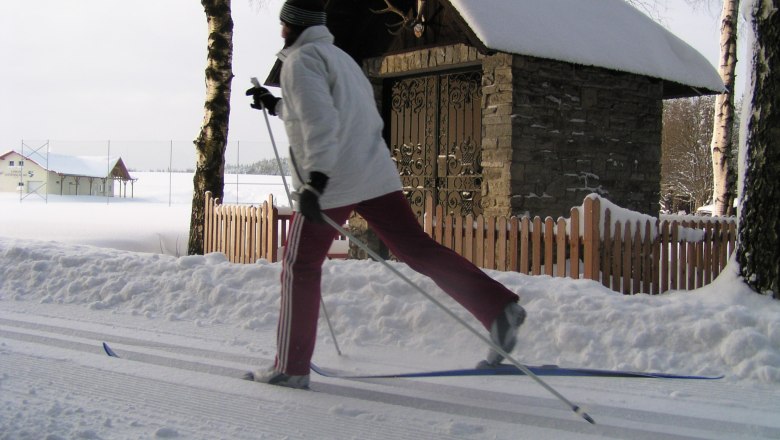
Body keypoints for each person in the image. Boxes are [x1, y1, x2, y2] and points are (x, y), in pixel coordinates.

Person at [244, 0, 525, 389]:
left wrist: (316, 180)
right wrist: (276, 104)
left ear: (295, 26)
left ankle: (290, 367)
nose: (280, 31)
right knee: (417, 248)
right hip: (375, 172)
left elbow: (320, 122)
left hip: (334, 179)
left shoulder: (299, 62)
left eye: (284, 23)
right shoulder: (340, 60)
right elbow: (331, 112)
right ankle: (498, 309)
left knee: (300, 265)